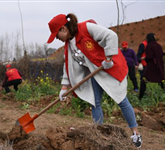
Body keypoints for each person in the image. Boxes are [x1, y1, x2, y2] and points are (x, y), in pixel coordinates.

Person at [47, 13, 142, 148]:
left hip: (109, 69)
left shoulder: (86, 28)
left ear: (63, 29)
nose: (57, 38)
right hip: (95, 74)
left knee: (121, 100)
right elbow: (67, 65)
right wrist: (64, 87)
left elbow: (111, 36)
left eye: (57, 35)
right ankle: (99, 134)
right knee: (95, 103)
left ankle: (136, 133)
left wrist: (109, 57)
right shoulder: (69, 45)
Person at [138, 33, 165, 100]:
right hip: (159, 66)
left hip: (152, 66)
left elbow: (149, 57)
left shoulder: (149, 46)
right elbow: (160, 54)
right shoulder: (158, 45)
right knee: (161, 81)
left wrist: (144, 59)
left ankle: (140, 97)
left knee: (144, 80)